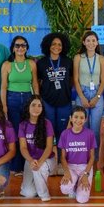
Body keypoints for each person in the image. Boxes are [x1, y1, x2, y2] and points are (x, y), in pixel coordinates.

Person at [0, 35, 39, 176]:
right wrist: (4, 105)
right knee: (16, 132)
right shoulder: (7, 65)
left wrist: (37, 101)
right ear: (13, 48)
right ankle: (16, 167)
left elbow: (35, 83)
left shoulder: (31, 64)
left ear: (27, 48)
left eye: (23, 45)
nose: (20, 48)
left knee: (28, 132)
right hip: (12, 100)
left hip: (28, 99)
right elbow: (3, 87)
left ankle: (28, 164)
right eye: (17, 45)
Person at [36, 32, 73, 171]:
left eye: (59, 44)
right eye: (53, 44)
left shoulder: (68, 61)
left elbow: (72, 80)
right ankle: (50, 162)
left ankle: (62, 163)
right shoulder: (42, 63)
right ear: (48, 46)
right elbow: (38, 81)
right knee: (49, 132)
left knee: (62, 133)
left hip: (64, 102)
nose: (57, 47)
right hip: (47, 102)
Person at [18, 95, 55, 202]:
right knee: (28, 194)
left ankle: (44, 195)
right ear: (28, 107)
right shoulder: (23, 125)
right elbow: (23, 147)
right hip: (30, 159)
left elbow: (49, 147)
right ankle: (35, 183)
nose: (36, 108)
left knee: (40, 168)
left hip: (47, 159)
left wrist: (40, 162)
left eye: (39, 106)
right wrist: (31, 160)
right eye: (33, 105)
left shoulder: (47, 123)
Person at [73, 30, 104, 146]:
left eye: (93, 40)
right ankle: (84, 153)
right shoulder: (78, 58)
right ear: (84, 42)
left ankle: (95, 155)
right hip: (82, 92)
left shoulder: (101, 59)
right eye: (88, 40)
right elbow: (76, 80)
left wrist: (97, 97)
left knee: (95, 129)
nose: (91, 43)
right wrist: (82, 98)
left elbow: (103, 81)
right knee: (82, 127)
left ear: (97, 42)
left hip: (97, 93)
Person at [58, 106, 96, 203]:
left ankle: (79, 183)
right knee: (65, 189)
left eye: (82, 117)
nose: (78, 120)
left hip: (85, 167)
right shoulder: (65, 134)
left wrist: (86, 174)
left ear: (85, 119)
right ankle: (74, 185)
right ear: (71, 118)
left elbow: (92, 157)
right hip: (71, 167)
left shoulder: (90, 134)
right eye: (76, 117)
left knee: (82, 200)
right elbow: (62, 157)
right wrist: (66, 172)